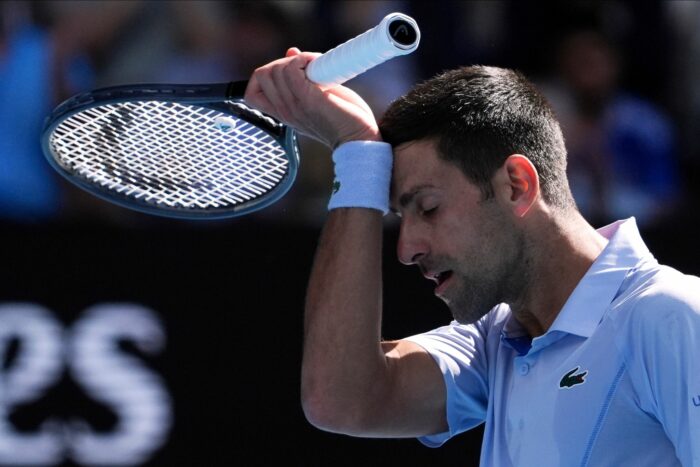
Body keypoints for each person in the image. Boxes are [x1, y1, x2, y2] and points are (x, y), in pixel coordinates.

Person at [245, 48, 700, 466]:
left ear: (516, 185)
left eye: (428, 208)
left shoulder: (670, 315)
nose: (406, 249)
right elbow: (339, 400)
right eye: (401, 216)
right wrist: (357, 155)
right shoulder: (493, 342)